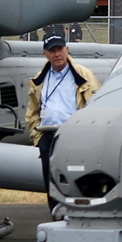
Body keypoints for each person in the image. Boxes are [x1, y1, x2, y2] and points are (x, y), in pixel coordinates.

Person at [25, 35, 101, 209]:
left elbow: (97, 106)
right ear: (45, 54)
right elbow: (32, 111)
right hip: (48, 137)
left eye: (60, 49)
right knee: (51, 184)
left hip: (75, 137)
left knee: (78, 179)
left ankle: (80, 215)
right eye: (52, 51)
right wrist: (38, 139)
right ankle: (55, 217)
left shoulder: (84, 75)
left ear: (67, 50)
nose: (57, 54)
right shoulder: (39, 79)